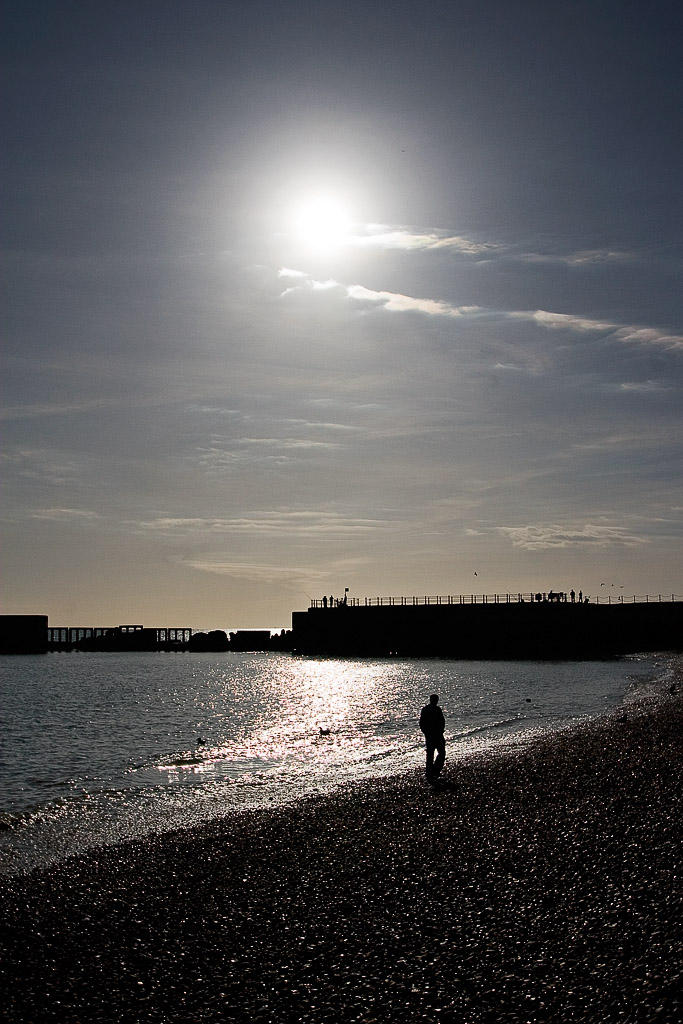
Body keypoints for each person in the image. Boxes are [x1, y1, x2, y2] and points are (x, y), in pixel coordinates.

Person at [419, 693, 446, 781]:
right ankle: (433, 771)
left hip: (433, 735)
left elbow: (422, 723)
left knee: (432, 754)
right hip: (434, 735)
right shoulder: (434, 709)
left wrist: (426, 732)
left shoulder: (427, 709)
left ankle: (431, 771)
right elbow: (441, 722)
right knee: (439, 753)